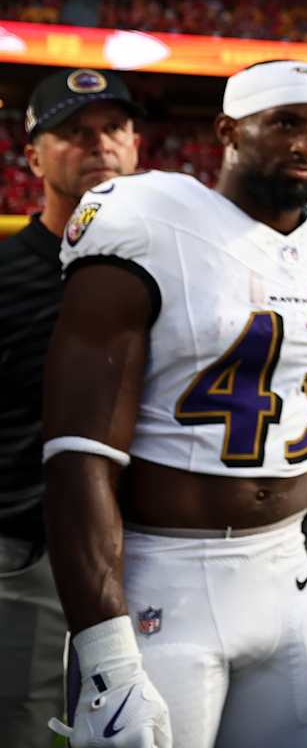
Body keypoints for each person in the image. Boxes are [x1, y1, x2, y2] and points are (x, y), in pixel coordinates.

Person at [40, 59, 307, 748]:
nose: (306, 144)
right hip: (164, 583)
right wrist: (108, 653)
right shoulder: (147, 220)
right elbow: (78, 457)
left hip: (290, 579)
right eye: (286, 124)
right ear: (228, 130)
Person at [0, 69, 142, 747]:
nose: (100, 145)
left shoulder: (164, 266)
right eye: (74, 132)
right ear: (32, 155)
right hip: (28, 556)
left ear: (137, 144)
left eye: (114, 128)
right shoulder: (7, 272)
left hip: (143, 557)